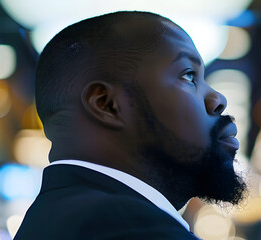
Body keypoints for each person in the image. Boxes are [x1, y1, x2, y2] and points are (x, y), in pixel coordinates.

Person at [15, 11, 247, 239]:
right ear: (107, 104)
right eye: (188, 76)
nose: (217, 99)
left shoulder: (55, 217)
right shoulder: (132, 229)